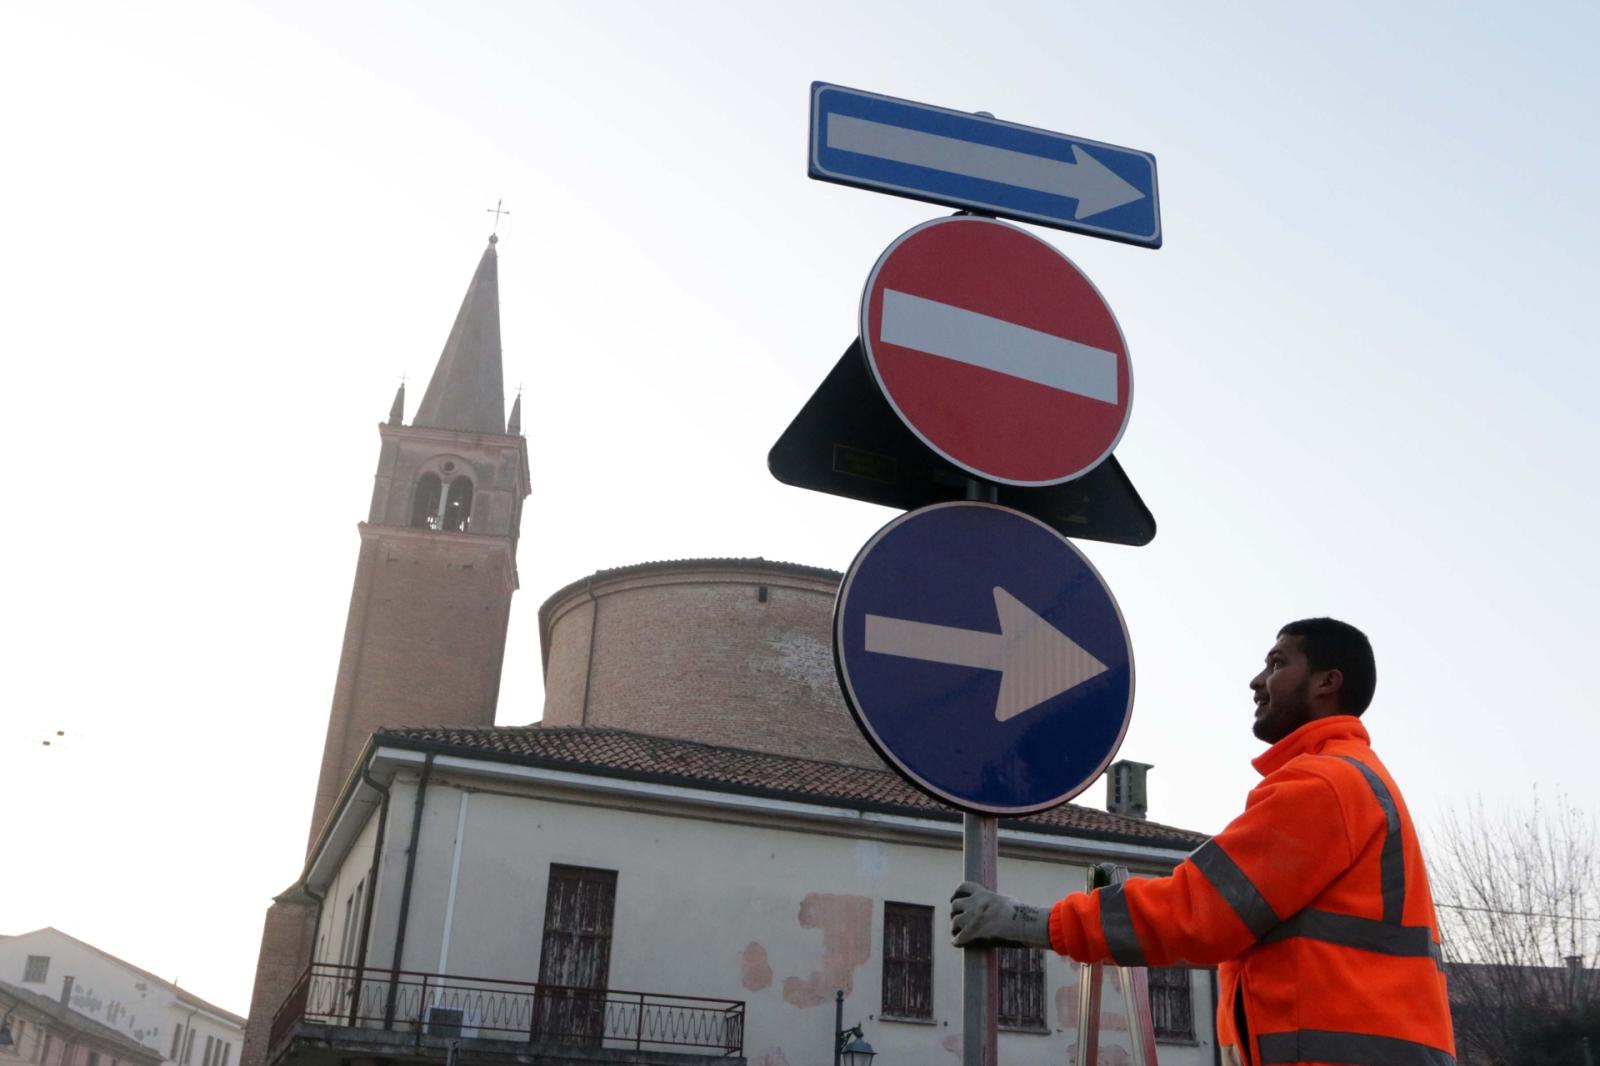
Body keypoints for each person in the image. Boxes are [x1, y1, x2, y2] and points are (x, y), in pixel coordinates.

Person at [949, 618, 1455, 1066]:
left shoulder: (1325, 786)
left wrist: (1030, 922)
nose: (1258, 682)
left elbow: (1196, 911)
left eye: (1277, 664)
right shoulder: (1356, 781)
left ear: (1328, 683)